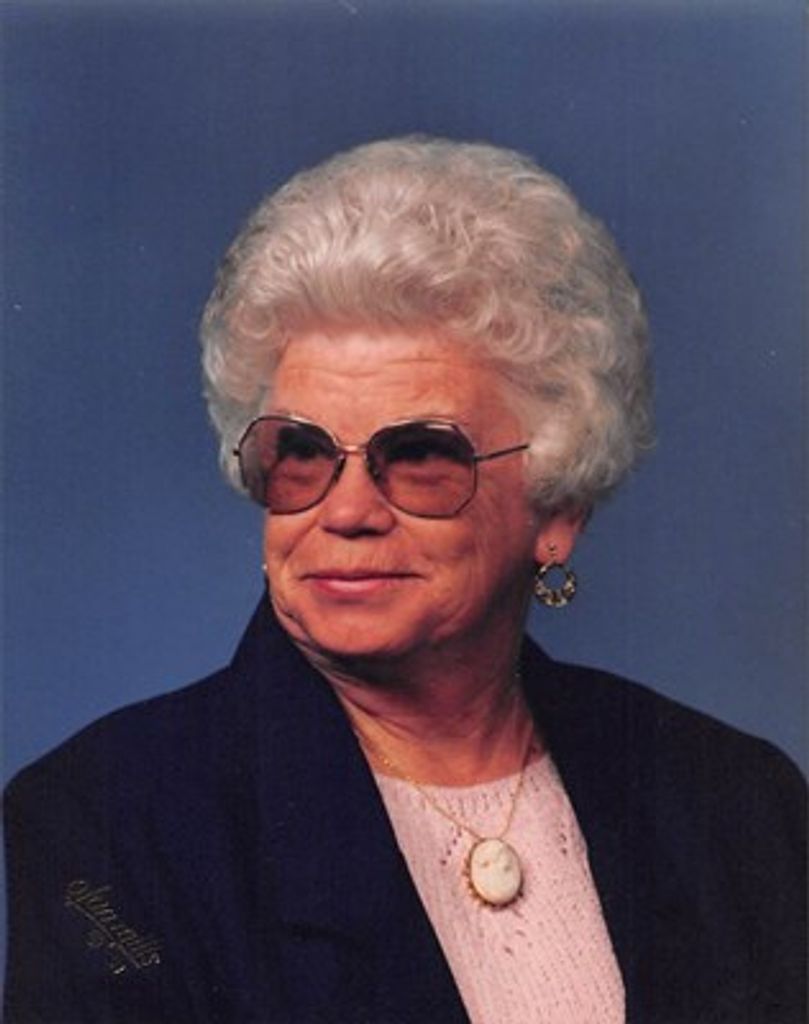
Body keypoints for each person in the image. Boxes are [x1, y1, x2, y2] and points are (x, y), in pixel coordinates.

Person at [4, 137, 805, 1024]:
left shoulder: (734, 800)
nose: (346, 511)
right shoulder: (110, 819)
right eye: (302, 453)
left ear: (555, 509)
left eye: (421, 455)